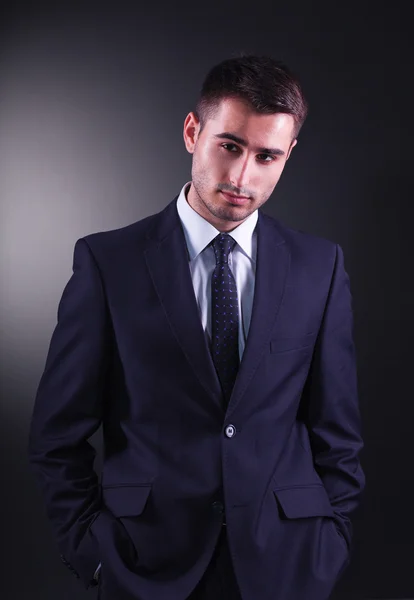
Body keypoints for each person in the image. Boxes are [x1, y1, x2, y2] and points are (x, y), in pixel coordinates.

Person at [28, 55, 365, 600]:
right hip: (146, 562)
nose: (240, 177)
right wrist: (93, 555)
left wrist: (331, 544)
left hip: (287, 563)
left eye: (266, 156)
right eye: (229, 146)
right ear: (193, 131)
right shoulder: (108, 262)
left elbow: (338, 433)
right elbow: (56, 436)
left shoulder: (319, 267)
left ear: (288, 156)